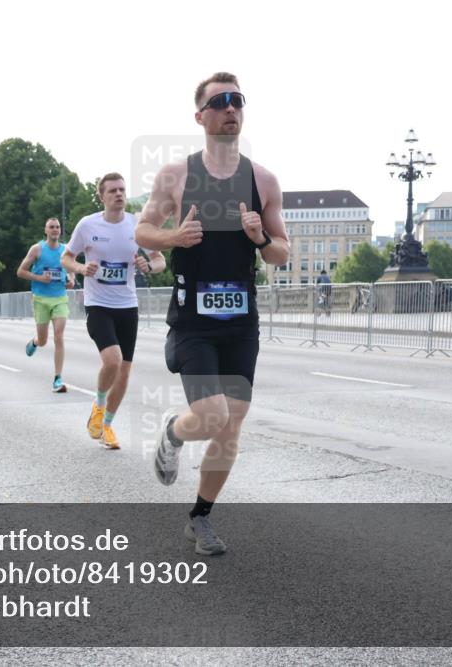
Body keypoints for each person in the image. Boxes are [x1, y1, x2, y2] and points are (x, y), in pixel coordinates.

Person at [135, 72, 289, 555]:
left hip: (241, 322)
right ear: (200, 116)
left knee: (233, 421)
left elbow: (281, 252)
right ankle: (173, 433)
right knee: (210, 414)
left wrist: (260, 237)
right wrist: (173, 238)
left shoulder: (261, 179)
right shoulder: (176, 176)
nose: (230, 108)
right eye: (219, 101)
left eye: (237, 101)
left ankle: (200, 517)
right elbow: (143, 231)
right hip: (194, 320)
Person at [62, 173, 165, 449]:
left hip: (127, 306)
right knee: (112, 360)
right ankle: (98, 403)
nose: (119, 194)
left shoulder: (136, 225)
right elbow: (67, 257)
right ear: (102, 196)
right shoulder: (88, 225)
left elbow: (159, 259)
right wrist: (82, 268)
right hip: (98, 305)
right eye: (113, 190)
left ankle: (106, 424)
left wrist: (148, 266)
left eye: (122, 189)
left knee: (125, 372)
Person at [17, 217, 76, 392]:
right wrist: (39, 278)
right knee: (43, 340)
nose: (55, 230)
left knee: (59, 336)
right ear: (46, 230)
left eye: (57, 227)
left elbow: (71, 268)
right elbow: (20, 272)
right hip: (41, 299)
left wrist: (71, 280)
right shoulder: (37, 249)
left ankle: (58, 379)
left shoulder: (66, 250)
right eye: (51, 227)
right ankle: (35, 342)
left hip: (60, 298)